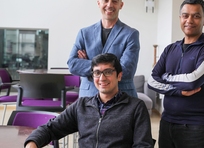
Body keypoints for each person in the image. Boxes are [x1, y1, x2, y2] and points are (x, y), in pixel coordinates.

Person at [24, 53, 154, 148]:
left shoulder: (136, 107)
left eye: (108, 72)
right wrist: (32, 143)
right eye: (97, 73)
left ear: (119, 76)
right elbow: (51, 128)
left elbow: (143, 145)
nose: (102, 78)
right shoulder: (82, 105)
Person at [148, 0, 204, 148]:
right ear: (180, 18)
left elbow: (192, 81)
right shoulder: (170, 49)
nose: (190, 20)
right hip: (167, 122)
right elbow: (152, 81)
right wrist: (178, 92)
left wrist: (166, 77)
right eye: (185, 15)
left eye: (196, 16)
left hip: (197, 126)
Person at [67, 0, 139, 98]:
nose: (109, 5)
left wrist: (90, 65)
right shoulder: (84, 33)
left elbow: (126, 70)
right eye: (105, 0)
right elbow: (73, 64)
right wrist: (111, 68)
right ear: (99, 3)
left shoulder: (131, 34)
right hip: (89, 96)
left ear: (121, 5)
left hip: (121, 97)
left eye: (115, 1)